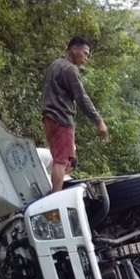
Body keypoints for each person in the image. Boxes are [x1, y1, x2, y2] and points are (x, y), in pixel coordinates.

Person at [41, 36, 109, 192]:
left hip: (48, 118)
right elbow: (82, 98)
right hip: (61, 119)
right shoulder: (69, 69)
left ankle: (52, 191)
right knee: (61, 161)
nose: (85, 58)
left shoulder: (54, 66)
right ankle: (55, 199)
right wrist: (99, 121)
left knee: (63, 160)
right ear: (74, 49)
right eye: (84, 53)